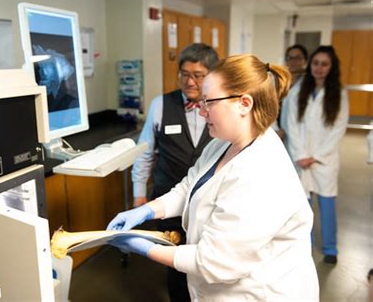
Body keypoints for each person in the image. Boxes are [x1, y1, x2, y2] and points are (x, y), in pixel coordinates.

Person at [108, 54, 319, 301]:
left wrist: (146, 248)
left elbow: (214, 260)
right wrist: (148, 210)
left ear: (244, 104)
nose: (202, 111)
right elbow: (189, 186)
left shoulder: (262, 173)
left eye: (209, 102)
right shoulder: (223, 145)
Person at [131, 43, 219, 301]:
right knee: (176, 265)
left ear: (211, 75)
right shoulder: (161, 105)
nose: (189, 81)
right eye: (184, 73)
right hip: (167, 200)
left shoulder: (217, 107)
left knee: (205, 263)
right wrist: (139, 195)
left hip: (208, 203)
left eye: (198, 75)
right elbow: (144, 153)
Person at [287, 45, 349, 265]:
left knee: (327, 206)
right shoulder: (298, 89)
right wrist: (301, 154)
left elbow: (338, 129)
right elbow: (291, 123)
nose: (319, 68)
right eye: (316, 63)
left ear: (331, 67)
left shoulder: (339, 93)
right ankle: (307, 244)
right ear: (310, 64)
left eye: (324, 64)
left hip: (324, 161)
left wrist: (316, 156)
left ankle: (331, 248)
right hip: (301, 159)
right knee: (303, 207)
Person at [276, 44, 309, 141]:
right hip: (279, 132)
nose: (294, 61)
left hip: (301, 133)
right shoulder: (279, 81)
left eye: (298, 58)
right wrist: (277, 130)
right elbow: (272, 107)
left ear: (305, 60)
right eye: (290, 58)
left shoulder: (310, 83)